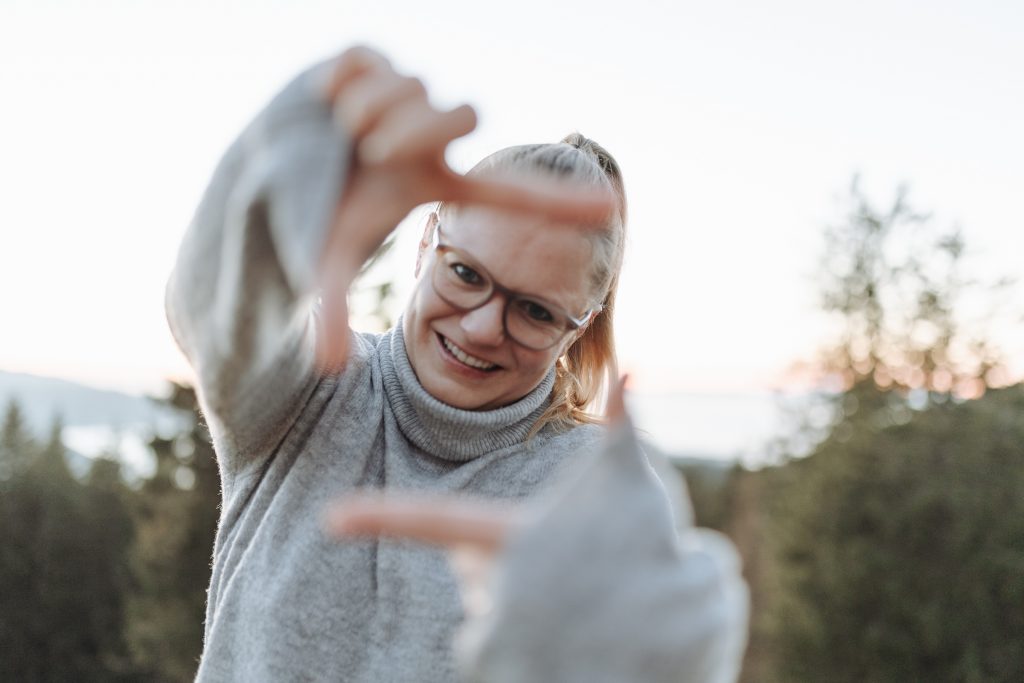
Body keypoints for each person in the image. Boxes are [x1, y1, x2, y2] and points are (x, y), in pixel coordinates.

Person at [166, 46, 747, 682]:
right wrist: (290, 176)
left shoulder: (590, 485)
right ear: (425, 244)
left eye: (535, 312)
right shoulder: (306, 390)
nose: (482, 326)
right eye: (466, 273)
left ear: (580, 325)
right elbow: (213, 308)